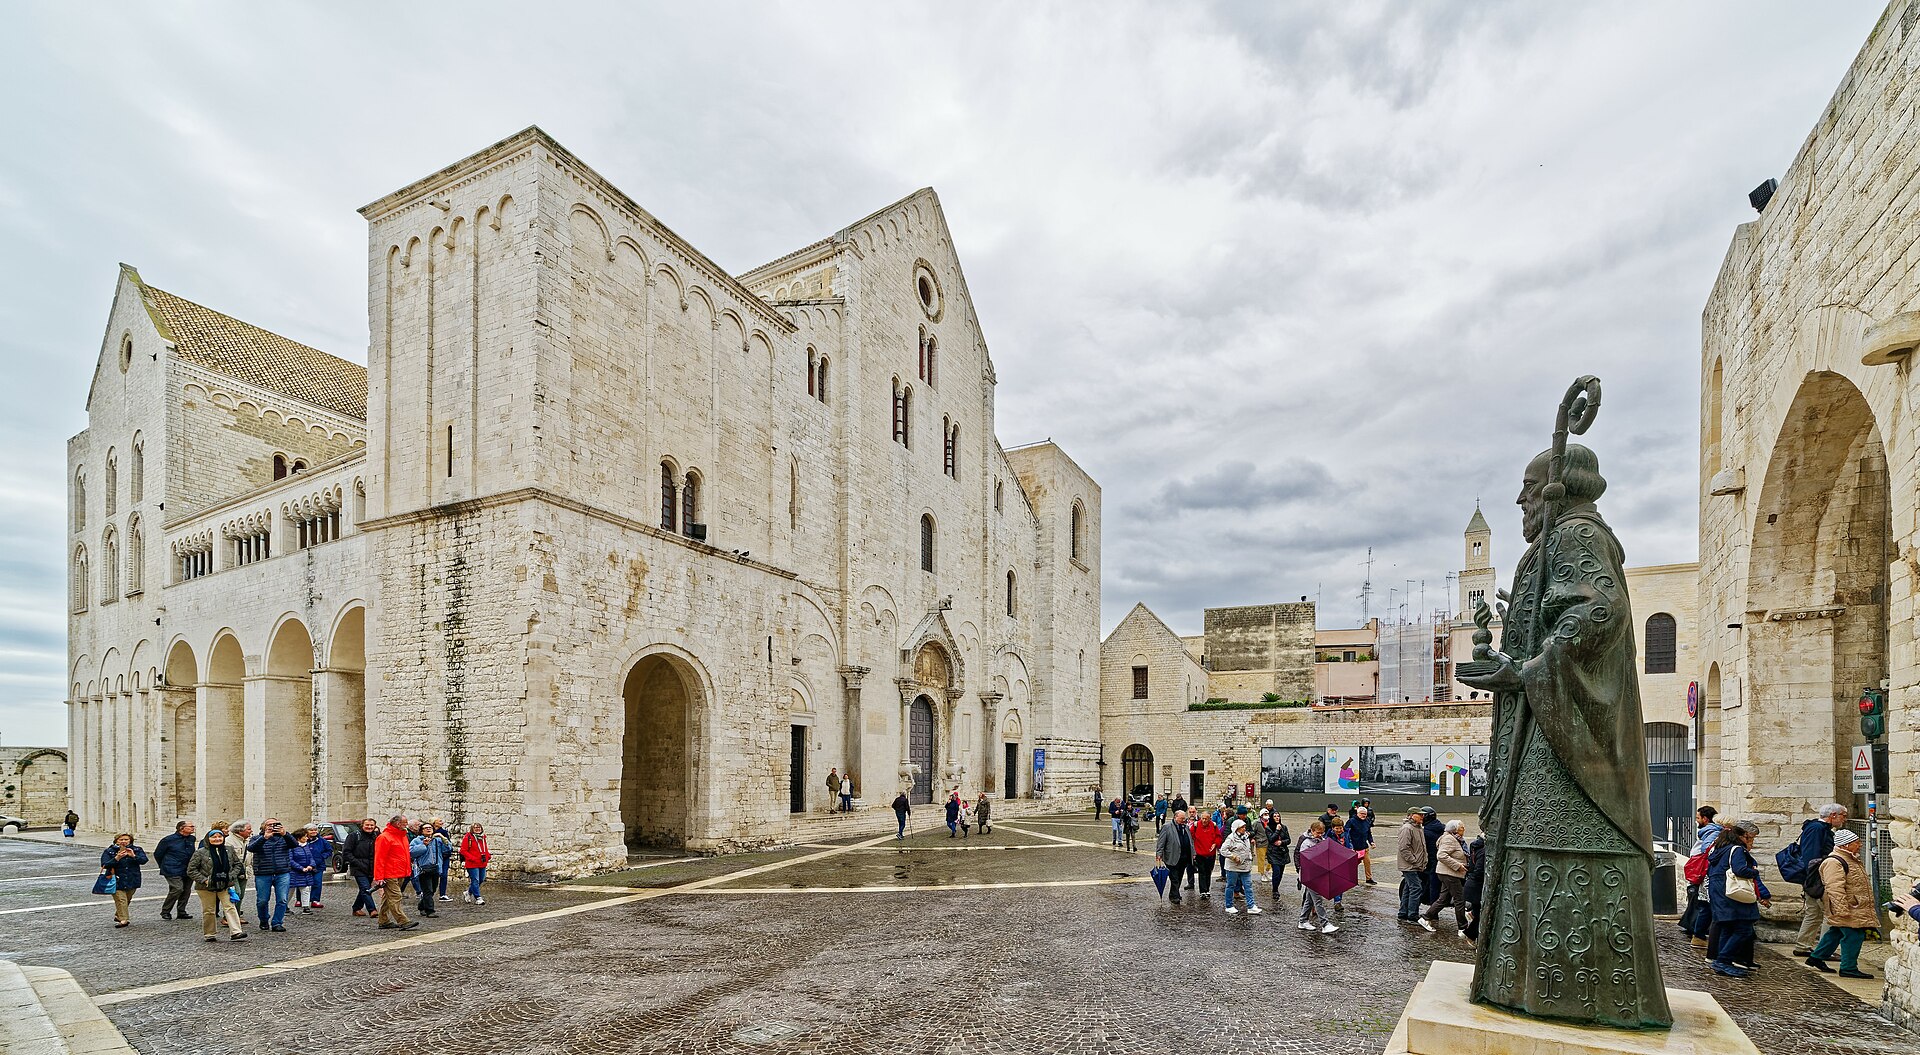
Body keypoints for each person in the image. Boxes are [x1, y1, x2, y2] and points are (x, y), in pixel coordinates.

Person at [1803, 829, 1874, 978]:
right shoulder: (1834, 862)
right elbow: (1834, 887)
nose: (1860, 845)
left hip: (1852, 905)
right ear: (1846, 845)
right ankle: (1848, 967)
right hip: (1848, 907)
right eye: (1856, 842)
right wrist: (1841, 910)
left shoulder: (1849, 859)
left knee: (1835, 932)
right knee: (1854, 935)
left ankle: (1816, 958)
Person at [1707, 820, 1771, 978]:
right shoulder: (1737, 850)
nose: (1751, 841)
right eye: (1750, 838)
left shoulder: (1719, 849)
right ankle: (1723, 960)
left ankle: (1722, 961)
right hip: (1734, 895)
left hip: (1720, 893)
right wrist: (1754, 871)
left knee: (1728, 928)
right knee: (1744, 929)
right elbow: (1740, 869)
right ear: (1742, 836)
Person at [1790, 803, 1849, 958]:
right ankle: (1824, 950)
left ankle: (1803, 945)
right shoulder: (1817, 829)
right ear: (1833, 815)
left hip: (1814, 877)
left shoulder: (1818, 829)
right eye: (1843, 815)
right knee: (1828, 912)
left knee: (1814, 913)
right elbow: (1812, 857)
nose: (1844, 819)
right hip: (1818, 878)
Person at [186, 827, 247, 941]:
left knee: (230, 907)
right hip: (206, 886)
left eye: (219, 837)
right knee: (209, 910)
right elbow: (191, 870)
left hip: (225, 884)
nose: (217, 839)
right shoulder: (200, 852)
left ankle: (236, 932)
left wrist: (231, 876)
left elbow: (237, 864)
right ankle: (209, 934)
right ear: (208, 839)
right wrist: (205, 880)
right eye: (214, 837)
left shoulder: (229, 849)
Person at [246, 818, 299, 932]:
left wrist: (285, 834)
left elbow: (295, 844)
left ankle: (277, 923)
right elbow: (251, 848)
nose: (272, 826)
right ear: (263, 827)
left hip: (282, 872)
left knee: (282, 899)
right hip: (263, 873)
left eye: (276, 824)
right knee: (262, 900)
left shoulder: (284, 838)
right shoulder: (256, 838)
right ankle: (264, 919)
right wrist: (264, 838)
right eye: (269, 824)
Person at [1680, 806, 1721, 947]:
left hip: (1704, 874)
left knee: (1702, 906)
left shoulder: (1709, 833)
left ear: (1705, 818)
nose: (1696, 821)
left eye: (1698, 818)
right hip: (1708, 876)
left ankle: (1697, 933)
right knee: (1704, 906)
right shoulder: (1712, 833)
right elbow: (1706, 851)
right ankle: (1698, 934)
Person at [373, 814, 419, 930]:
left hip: (400, 872)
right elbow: (379, 858)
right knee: (395, 896)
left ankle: (383, 920)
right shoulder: (384, 837)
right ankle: (403, 921)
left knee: (388, 898)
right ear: (398, 824)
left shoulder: (402, 836)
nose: (406, 825)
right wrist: (379, 877)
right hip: (389, 873)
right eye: (405, 823)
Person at [1427, 820, 1470, 937]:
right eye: (1461, 828)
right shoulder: (1449, 839)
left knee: (1444, 899)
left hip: (1449, 873)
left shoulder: (1456, 839)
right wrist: (1458, 866)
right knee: (1459, 899)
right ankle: (1463, 927)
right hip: (1450, 874)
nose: (1463, 830)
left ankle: (1426, 917)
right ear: (1454, 830)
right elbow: (1441, 855)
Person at [1295, 821, 1336, 933]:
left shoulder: (1322, 841)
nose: (1320, 835)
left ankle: (1303, 921)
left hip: (1318, 874)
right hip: (1310, 875)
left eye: (1322, 833)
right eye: (1318, 832)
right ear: (1312, 831)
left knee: (1309, 899)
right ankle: (1325, 924)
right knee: (1318, 900)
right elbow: (1305, 859)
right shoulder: (1306, 843)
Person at [99, 833, 148, 928]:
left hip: (132, 878)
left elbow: (144, 860)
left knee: (127, 899)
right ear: (116, 841)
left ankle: (119, 915)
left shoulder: (137, 850)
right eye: (121, 839)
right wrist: (117, 858)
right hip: (116, 879)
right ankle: (124, 920)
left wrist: (133, 856)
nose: (123, 841)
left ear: (130, 841)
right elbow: (105, 865)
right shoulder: (109, 851)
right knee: (121, 900)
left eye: (126, 839)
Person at [1397, 807, 1433, 931]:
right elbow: (1404, 848)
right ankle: (1412, 915)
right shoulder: (1407, 828)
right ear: (1411, 815)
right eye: (1420, 815)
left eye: (1423, 815)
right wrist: (1414, 860)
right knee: (1416, 887)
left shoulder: (1418, 828)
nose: (1422, 817)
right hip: (1410, 865)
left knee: (1408, 887)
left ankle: (1403, 913)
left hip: (1414, 865)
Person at [154, 820, 197, 922]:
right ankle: (165, 911)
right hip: (172, 868)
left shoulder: (191, 839)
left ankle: (181, 911)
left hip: (188, 868)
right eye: (190, 826)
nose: (193, 828)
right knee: (177, 888)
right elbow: (158, 854)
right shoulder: (168, 840)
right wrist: (164, 866)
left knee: (186, 890)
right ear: (182, 828)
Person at [1219, 818, 1260, 915]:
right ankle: (1229, 905)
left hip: (1245, 866)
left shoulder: (1245, 837)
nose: (1244, 829)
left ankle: (1251, 906)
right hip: (1233, 867)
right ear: (1236, 828)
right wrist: (1233, 857)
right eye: (1242, 827)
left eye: (1244, 827)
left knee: (1248, 886)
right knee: (1231, 886)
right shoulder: (1231, 838)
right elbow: (1223, 850)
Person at [1154, 808, 1195, 905]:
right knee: (1174, 877)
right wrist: (1159, 854)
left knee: (1179, 876)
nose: (1183, 820)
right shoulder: (1167, 827)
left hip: (1184, 857)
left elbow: (1190, 841)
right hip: (1172, 856)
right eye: (1181, 818)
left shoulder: (1185, 827)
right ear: (1175, 817)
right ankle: (1174, 896)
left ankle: (1174, 893)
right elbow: (1161, 842)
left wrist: (1193, 852)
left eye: (1184, 818)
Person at [411, 823, 449, 917]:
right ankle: (430, 910)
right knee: (427, 889)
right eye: (426, 828)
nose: (428, 829)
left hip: (435, 867)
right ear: (421, 830)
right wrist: (423, 845)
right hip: (423, 869)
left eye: (430, 828)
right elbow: (411, 852)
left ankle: (421, 905)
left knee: (433, 889)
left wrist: (443, 839)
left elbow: (447, 849)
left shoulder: (437, 840)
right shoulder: (417, 840)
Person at [345, 818, 380, 916]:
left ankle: (356, 908)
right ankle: (372, 910)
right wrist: (356, 862)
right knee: (365, 888)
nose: (369, 827)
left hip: (371, 867)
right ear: (362, 826)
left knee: (364, 889)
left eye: (371, 825)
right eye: (367, 825)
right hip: (358, 867)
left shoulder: (376, 836)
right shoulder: (353, 836)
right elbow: (347, 852)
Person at [289, 827, 326, 912]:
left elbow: (310, 857)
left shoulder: (306, 846)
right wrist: (301, 868)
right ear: (299, 838)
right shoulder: (292, 847)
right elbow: (290, 860)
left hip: (305, 872)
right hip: (295, 872)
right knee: (290, 890)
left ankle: (305, 907)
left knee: (305, 889)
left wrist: (311, 865)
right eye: (305, 837)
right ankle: (285, 907)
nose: (307, 838)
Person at [1190, 809, 1222, 899]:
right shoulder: (1196, 825)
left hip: (1210, 854)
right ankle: (1202, 891)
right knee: (1202, 872)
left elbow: (1218, 837)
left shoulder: (1213, 826)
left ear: (1210, 819)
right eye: (1203, 818)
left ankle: (1207, 889)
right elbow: (1190, 836)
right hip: (1200, 853)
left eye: (1206, 819)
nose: (1204, 820)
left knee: (1208, 872)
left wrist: (1215, 843)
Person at [1461, 830, 1487, 942]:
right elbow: (1479, 870)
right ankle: (1470, 935)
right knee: (1482, 915)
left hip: (1472, 884)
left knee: (1479, 912)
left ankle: (1471, 917)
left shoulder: (1476, 847)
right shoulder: (1483, 851)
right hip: (1476, 886)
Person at [457, 822, 491, 904]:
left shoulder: (482, 837)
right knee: (475, 880)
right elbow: (463, 850)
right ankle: (478, 897)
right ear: (472, 829)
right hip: (472, 863)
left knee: (481, 879)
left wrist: (488, 855)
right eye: (475, 827)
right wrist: (472, 858)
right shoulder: (468, 837)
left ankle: (468, 892)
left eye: (479, 827)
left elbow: (484, 848)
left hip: (482, 862)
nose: (477, 829)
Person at [1262, 811, 1292, 902]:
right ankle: (1275, 890)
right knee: (1276, 871)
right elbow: (1271, 839)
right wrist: (1277, 830)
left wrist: (1281, 842)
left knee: (1281, 872)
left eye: (1278, 816)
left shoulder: (1284, 827)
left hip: (1282, 852)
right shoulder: (1268, 828)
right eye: (1275, 816)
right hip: (1273, 853)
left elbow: (1288, 840)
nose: (1277, 817)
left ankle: (1276, 886)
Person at [1420, 806, 1444, 905]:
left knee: (1433, 885)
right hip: (1443, 859)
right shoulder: (1442, 827)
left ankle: (1433, 911)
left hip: (1432, 860)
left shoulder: (1425, 832)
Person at [1348, 805, 1375, 885]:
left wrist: (1371, 842)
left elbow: (1368, 833)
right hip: (1355, 846)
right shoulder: (1351, 821)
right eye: (1362, 813)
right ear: (1357, 813)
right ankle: (1351, 878)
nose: (1363, 815)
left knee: (1367, 862)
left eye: (1365, 814)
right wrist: (1350, 845)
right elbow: (1346, 833)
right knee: (1354, 864)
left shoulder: (1367, 821)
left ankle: (1369, 878)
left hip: (1364, 846)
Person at [430, 819, 455, 902]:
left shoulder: (443, 832)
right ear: (434, 823)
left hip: (444, 856)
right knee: (433, 875)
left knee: (444, 875)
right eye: (439, 821)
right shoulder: (429, 832)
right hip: (434, 856)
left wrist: (441, 836)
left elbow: (448, 844)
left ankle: (442, 894)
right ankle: (428, 893)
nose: (442, 822)